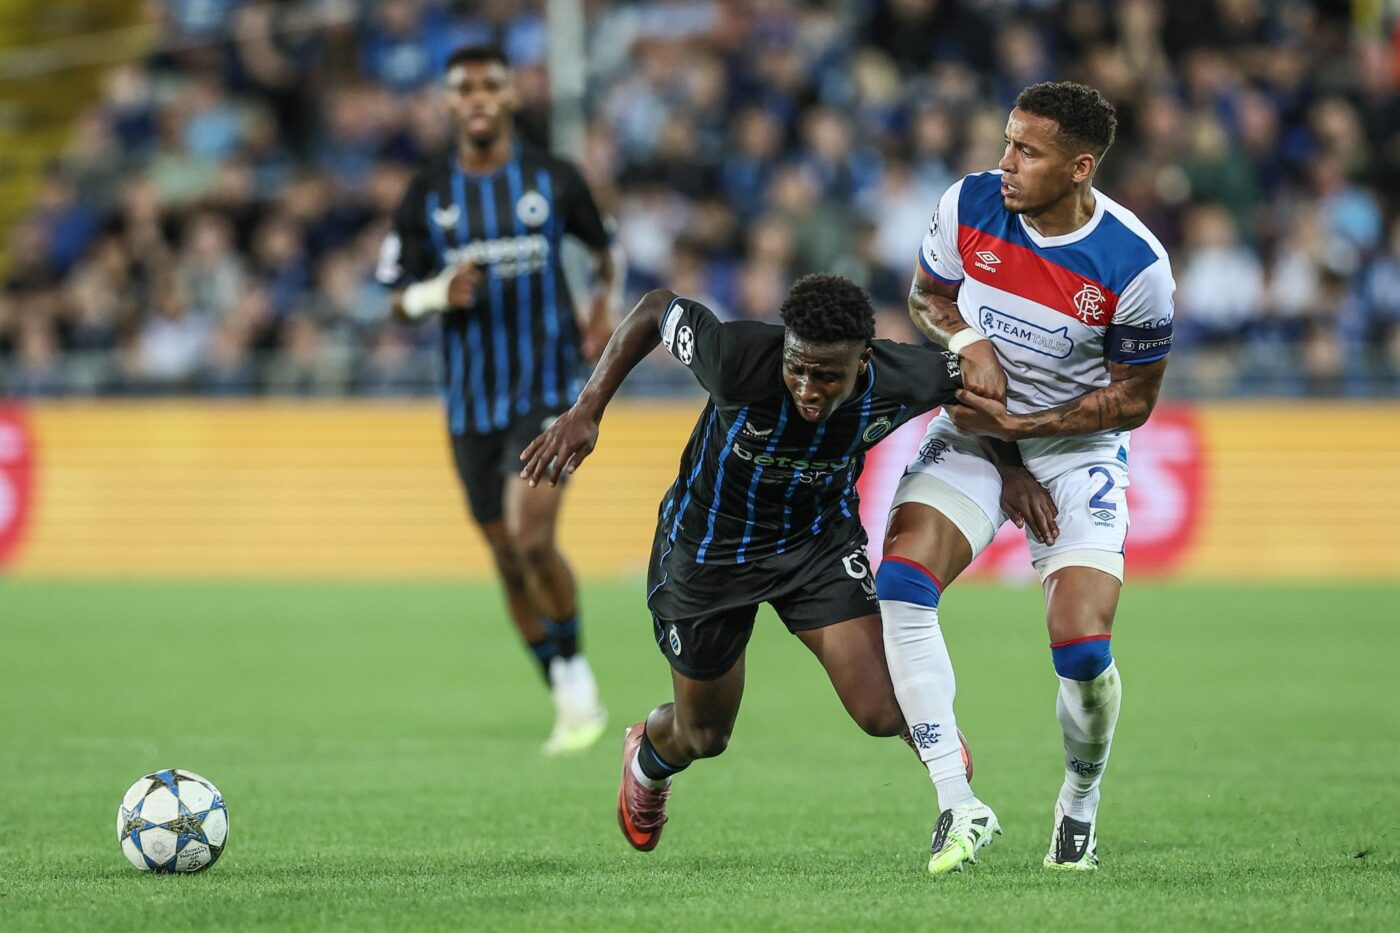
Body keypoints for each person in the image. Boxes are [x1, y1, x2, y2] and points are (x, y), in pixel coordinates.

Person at [523, 273, 1003, 852]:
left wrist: (1014, 472)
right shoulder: (735, 359)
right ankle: (647, 758)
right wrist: (587, 410)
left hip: (816, 545)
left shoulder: (905, 376)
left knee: (884, 709)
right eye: (797, 368)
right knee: (704, 735)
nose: (807, 388)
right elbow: (654, 309)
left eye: (827, 376)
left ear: (864, 361)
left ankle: (933, 743)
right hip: (708, 555)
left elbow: (981, 391)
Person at [877, 81, 1174, 874]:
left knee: (1082, 650)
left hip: (1077, 449)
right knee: (901, 582)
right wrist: (968, 342)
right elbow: (926, 296)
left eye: (1027, 151)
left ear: (1080, 167)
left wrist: (1026, 432)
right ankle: (957, 802)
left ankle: (1080, 799)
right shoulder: (969, 204)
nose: (1004, 162)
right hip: (977, 428)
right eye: (1007, 141)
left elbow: (1135, 400)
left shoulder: (1135, 263)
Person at [376, 45, 616, 755]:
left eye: (491, 85)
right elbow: (394, 297)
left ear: (511, 96)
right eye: (465, 87)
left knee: (532, 535)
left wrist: (600, 309)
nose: (478, 97)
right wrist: (434, 292)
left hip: (547, 388)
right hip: (470, 404)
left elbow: (606, 251)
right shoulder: (427, 192)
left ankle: (575, 669)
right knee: (508, 556)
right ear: (448, 102)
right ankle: (561, 676)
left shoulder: (553, 178)